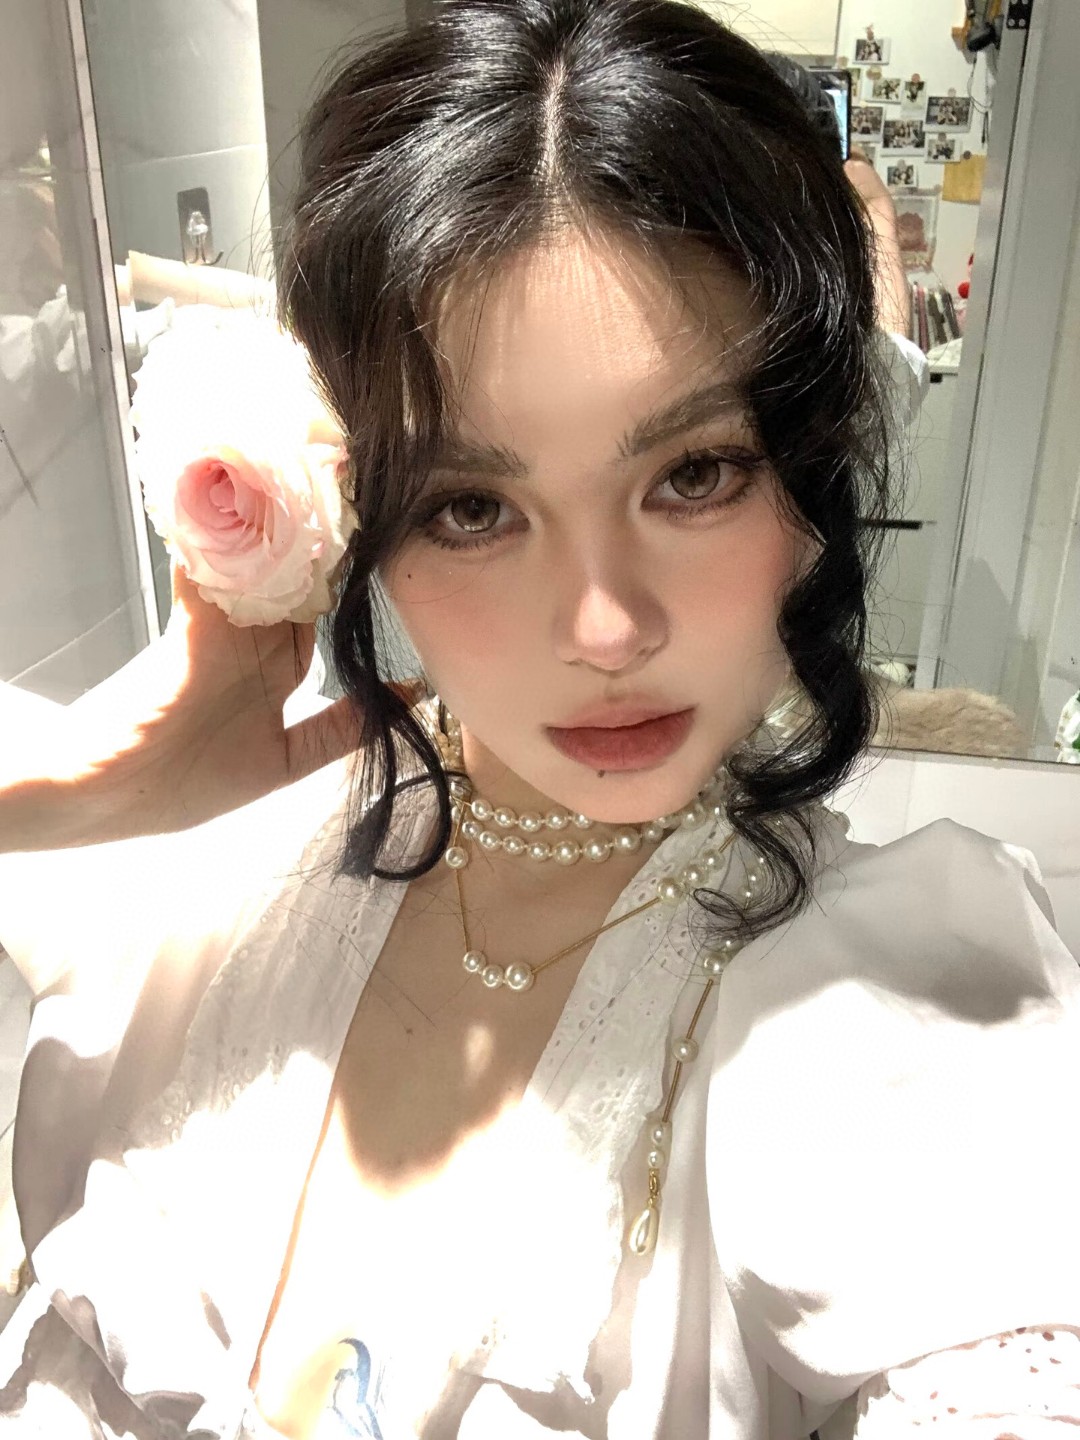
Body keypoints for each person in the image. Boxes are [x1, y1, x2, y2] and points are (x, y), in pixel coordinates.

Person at [0, 2, 1077, 1437]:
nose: (605, 629)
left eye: (694, 475)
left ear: (808, 484)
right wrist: (72, 798)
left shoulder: (878, 1009)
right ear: (363, 522)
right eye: (472, 506)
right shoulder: (198, 897)